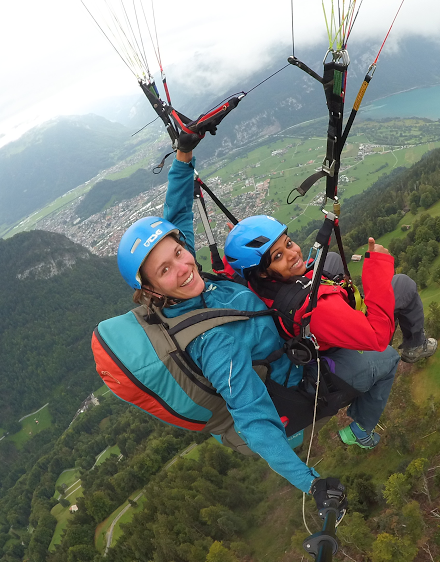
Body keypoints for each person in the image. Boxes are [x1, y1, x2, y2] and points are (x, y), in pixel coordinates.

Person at [114, 134, 343, 502]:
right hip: (298, 386)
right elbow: (252, 418)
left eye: (178, 253)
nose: (183, 267)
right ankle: (360, 427)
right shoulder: (214, 342)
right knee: (377, 365)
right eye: (165, 269)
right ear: (152, 289)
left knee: (328, 266)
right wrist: (310, 483)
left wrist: (183, 155)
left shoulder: (194, 288)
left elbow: (177, 214)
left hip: (283, 346)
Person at [223, 216, 437, 448]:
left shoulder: (252, 280)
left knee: (331, 259)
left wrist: (241, 235)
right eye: (278, 256)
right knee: (401, 295)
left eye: (288, 243)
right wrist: (378, 268)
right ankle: (363, 427)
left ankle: (346, 313)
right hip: (325, 359)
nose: (293, 253)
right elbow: (378, 336)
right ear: (262, 272)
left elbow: (236, 267)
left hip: (301, 334)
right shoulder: (319, 308)